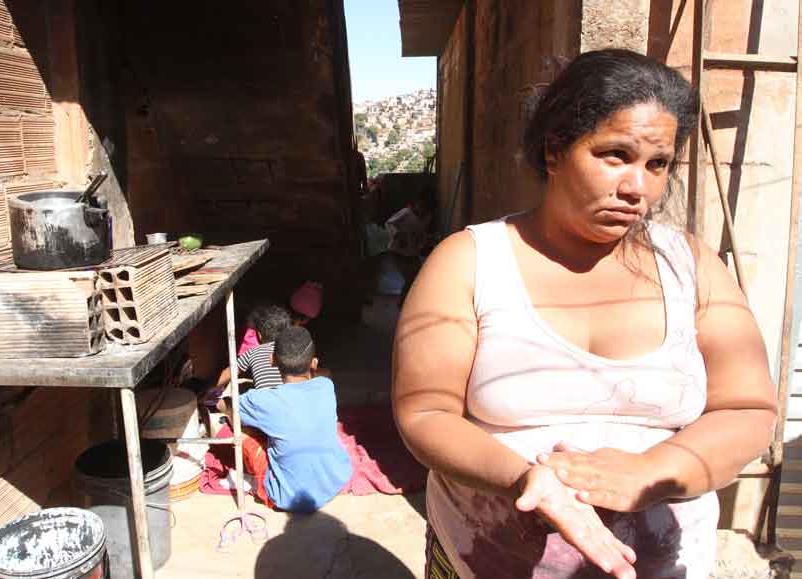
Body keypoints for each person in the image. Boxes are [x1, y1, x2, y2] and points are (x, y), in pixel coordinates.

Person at [392, 49, 777, 579]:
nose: (637, 188)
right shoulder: (470, 262)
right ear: (555, 151)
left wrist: (652, 472)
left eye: (657, 164)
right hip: (483, 562)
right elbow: (425, 414)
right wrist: (525, 479)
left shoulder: (690, 266)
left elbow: (749, 409)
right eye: (615, 154)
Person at [220, 326, 353, 512]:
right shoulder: (326, 386)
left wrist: (220, 403)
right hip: (336, 479)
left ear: (272, 361)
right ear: (314, 363)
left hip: (286, 497)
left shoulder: (261, 400)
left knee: (236, 428)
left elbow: (229, 408)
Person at [208, 304, 290, 406]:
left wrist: (206, 391)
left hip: (265, 411)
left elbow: (228, 373)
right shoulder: (292, 351)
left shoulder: (253, 351)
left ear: (259, 335)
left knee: (226, 403)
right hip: (290, 404)